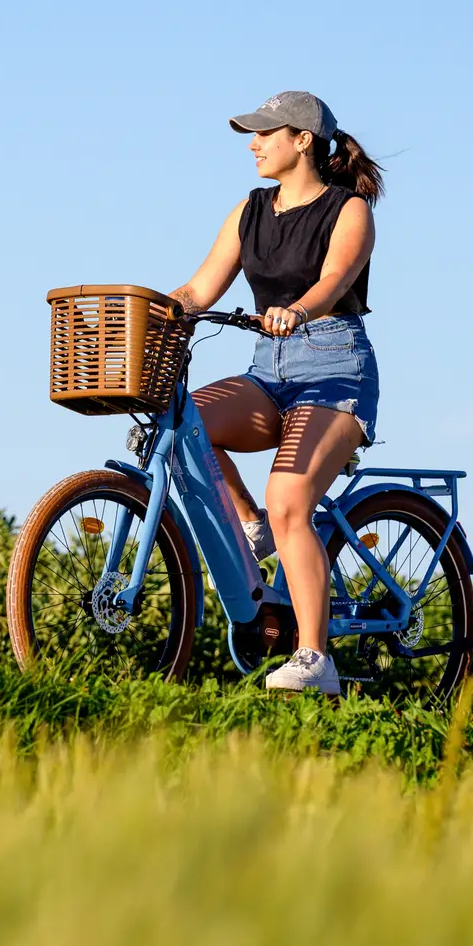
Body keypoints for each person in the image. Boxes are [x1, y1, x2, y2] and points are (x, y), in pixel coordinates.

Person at [166, 91, 385, 695]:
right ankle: (251, 526)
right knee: (182, 421)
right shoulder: (250, 210)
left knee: (291, 499)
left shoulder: (349, 211)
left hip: (335, 369)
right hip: (269, 371)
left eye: (266, 132)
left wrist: (298, 311)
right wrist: (164, 308)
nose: (254, 143)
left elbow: (335, 279)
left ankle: (316, 658)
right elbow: (201, 287)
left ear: (303, 140)